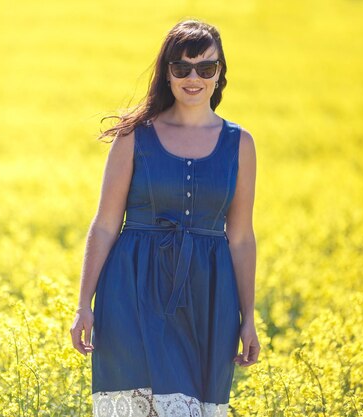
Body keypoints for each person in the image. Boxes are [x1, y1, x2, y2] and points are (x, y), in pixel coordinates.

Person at [70, 18, 260, 417]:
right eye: (182, 68)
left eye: (206, 68)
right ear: (167, 73)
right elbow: (105, 224)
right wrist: (83, 304)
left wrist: (248, 319)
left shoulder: (240, 144)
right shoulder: (134, 136)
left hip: (208, 298)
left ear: (220, 73)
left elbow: (241, 237)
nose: (194, 78)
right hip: (132, 291)